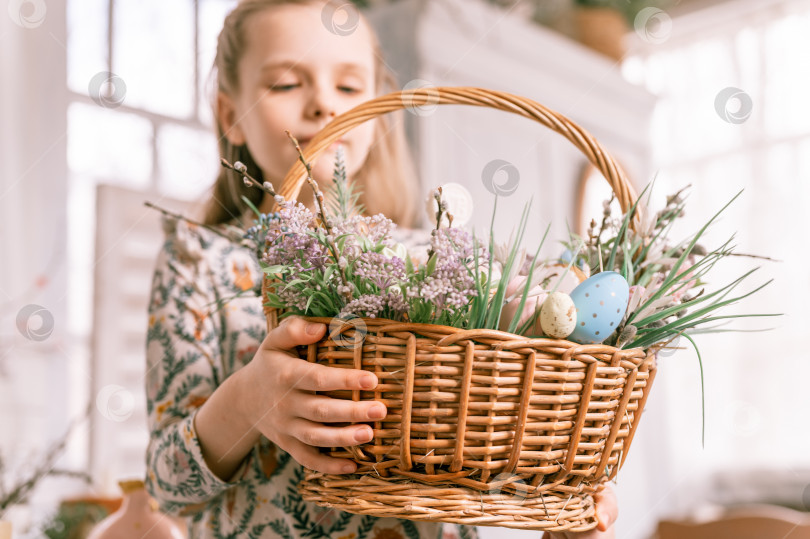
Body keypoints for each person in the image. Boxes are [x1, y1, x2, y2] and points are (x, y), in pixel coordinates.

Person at [144, 1, 618, 537]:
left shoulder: (439, 261)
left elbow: (482, 420)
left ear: (377, 108)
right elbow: (167, 486)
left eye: (349, 88)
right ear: (231, 116)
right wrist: (248, 401)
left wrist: (558, 490)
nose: (324, 103)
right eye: (284, 84)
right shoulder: (199, 263)